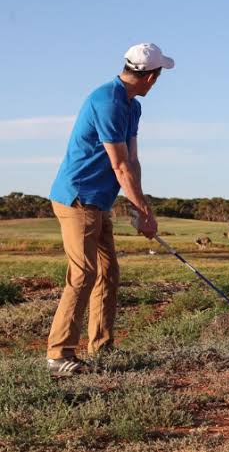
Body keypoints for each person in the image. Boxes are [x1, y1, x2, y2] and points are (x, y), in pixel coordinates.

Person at [47, 43, 174, 376]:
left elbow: (132, 161)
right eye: (158, 75)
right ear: (150, 76)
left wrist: (141, 208)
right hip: (77, 198)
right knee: (84, 272)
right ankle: (59, 354)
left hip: (99, 200)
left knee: (108, 272)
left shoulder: (132, 106)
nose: (158, 81)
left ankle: (101, 347)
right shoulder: (107, 101)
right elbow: (119, 165)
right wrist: (142, 212)